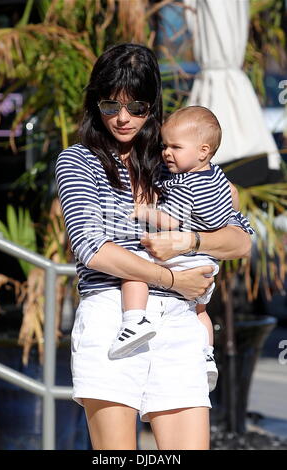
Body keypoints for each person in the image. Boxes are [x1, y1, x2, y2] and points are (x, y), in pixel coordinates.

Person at [55, 43, 253, 450]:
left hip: (181, 323)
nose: (123, 118)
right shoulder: (79, 161)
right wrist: (172, 278)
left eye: (137, 107)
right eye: (111, 105)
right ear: (95, 102)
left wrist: (192, 240)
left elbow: (241, 239)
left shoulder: (174, 156)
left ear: (153, 105)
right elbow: (91, 248)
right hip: (115, 314)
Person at [108, 106, 241, 394]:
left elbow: (171, 220)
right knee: (201, 311)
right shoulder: (218, 178)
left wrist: (142, 210)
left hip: (181, 258)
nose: (167, 153)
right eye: (164, 146)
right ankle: (207, 354)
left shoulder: (184, 182)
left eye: (175, 147)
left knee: (133, 268)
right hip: (207, 264)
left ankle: (133, 321)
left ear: (203, 151)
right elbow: (233, 209)